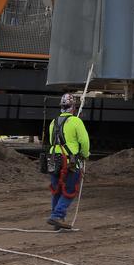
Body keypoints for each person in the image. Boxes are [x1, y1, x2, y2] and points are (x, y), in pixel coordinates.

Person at [46, 92, 89, 230]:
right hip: (69, 161)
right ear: (73, 108)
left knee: (57, 189)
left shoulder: (53, 122)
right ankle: (57, 216)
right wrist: (85, 154)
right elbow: (84, 141)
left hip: (53, 159)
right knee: (70, 189)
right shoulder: (76, 121)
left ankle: (57, 220)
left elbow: (51, 140)